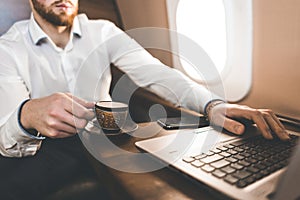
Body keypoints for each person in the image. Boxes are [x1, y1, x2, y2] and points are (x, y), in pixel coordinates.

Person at [0, 0, 289, 158]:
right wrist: (26, 115)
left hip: (108, 139)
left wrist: (212, 105)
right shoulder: (8, 49)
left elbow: (156, 73)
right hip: (47, 150)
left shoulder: (103, 31)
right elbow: (6, 139)